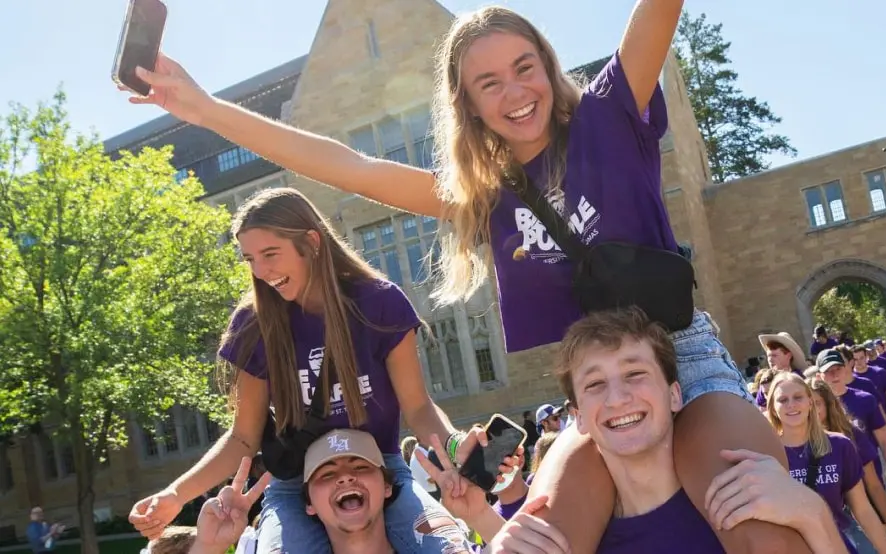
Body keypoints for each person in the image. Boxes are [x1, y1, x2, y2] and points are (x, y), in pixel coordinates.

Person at [123, 3, 801, 550]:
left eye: (524, 67)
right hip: (596, 399)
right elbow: (348, 166)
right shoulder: (483, 197)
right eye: (488, 83)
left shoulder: (611, 115)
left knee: (754, 517)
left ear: (548, 66)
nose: (514, 92)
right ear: (468, 105)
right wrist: (205, 109)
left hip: (682, 358)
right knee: (537, 541)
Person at [128, 189, 514, 553]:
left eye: (270, 254)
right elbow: (244, 438)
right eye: (250, 259)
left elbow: (417, 407)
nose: (260, 271)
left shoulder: (379, 303)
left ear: (312, 243)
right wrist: (176, 495)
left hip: (379, 469)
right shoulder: (254, 325)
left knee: (449, 547)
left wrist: (453, 443)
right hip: (294, 481)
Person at [511, 308, 849, 553]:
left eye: (634, 374)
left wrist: (811, 512)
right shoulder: (569, 535)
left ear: (674, 393)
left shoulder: (751, 501)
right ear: (578, 417)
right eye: (596, 384)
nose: (618, 399)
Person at [765, 373, 886, 554]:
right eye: (783, 400)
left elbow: (862, 509)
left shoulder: (840, 445)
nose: (791, 404)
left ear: (810, 402)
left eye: (798, 397)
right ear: (772, 408)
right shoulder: (767, 454)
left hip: (836, 545)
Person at [808, 378, 886, 554]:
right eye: (808, 404)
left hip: (854, 522)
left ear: (828, 406)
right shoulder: (794, 443)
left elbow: (874, 485)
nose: (812, 410)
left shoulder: (850, 436)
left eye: (817, 404)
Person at [814, 349, 886, 505]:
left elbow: (884, 441)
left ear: (846, 369)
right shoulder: (812, 407)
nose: (834, 375)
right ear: (819, 376)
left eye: (838, 369)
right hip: (836, 492)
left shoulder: (864, 399)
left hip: (871, 484)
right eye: (828, 371)